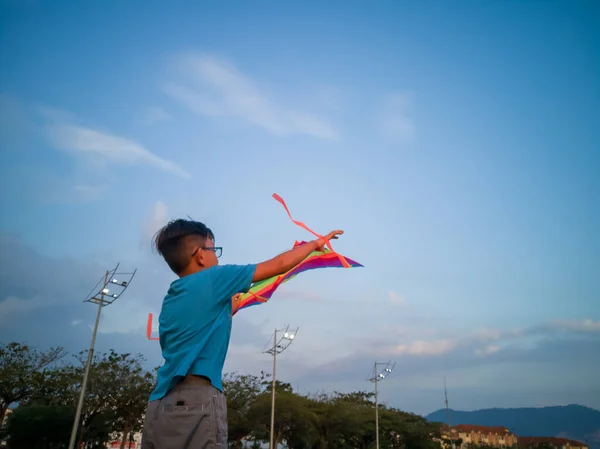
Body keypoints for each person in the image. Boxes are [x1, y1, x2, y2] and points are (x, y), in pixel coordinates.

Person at [141, 218, 343, 448]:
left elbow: (197, 329)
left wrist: (230, 308)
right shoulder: (214, 278)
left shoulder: (173, 297)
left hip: (160, 404)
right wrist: (315, 244)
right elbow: (278, 264)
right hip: (195, 401)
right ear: (200, 255)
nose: (217, 258)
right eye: (214, 250)